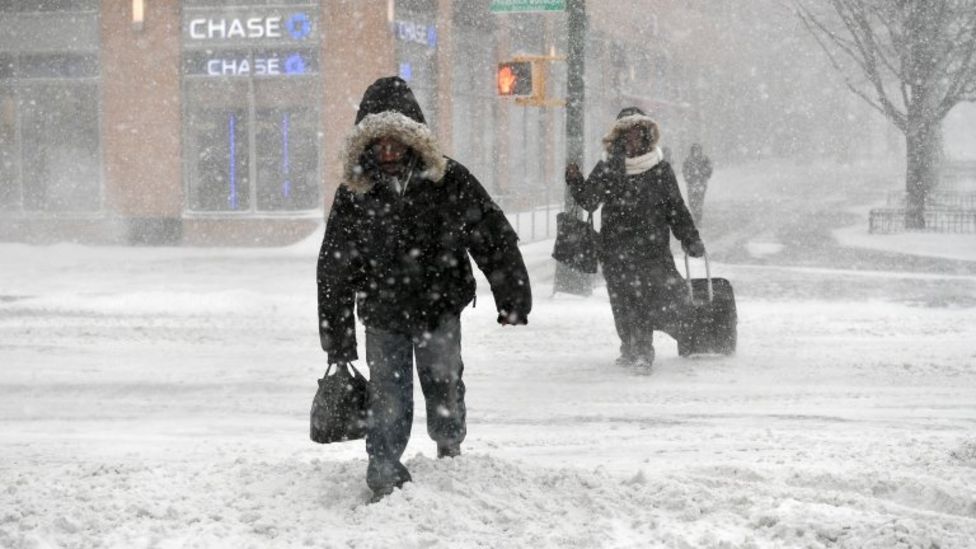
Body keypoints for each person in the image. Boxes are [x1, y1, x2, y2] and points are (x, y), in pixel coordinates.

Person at [317, 76, 532, 502]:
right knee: (388, 396)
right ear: (367, 145)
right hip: (383, 313)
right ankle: (383, 469)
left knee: (444, 381)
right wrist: (337, 341)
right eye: (380, 143)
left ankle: (449, 444)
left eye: (398, 142)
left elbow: (491, 235)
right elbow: (334, 270)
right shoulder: (355, 194)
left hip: (439, 308)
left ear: (415, 140)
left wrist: (512, 298)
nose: (390, 151)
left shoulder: (449, 179)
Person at [565, 107, 704, 369]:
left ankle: (643, 348)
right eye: (627, 133)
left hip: (652, 248)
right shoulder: (608, 167)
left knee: (649, 297)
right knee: (621, 300)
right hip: (616, 248)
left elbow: (675, 207)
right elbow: (590, 201)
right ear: (618, 136)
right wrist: (575, 182)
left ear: (645, 135)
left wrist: (690, 238)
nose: (632, 139)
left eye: (637, 132)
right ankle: (630, 345)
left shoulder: (660, 169)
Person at [681, 143, 713, 224]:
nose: (696, 151)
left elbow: (710, 169)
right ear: (692, 150)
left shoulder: (705, 159)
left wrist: (703, 174)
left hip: (701, 183)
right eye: (695, 149)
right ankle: (695, 215)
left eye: (698, 149)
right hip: (691, 184)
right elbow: (684, 170)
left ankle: (698, 218)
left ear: (700, 150)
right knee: (691, 202)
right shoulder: (688, 159)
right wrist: (688, 177)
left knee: (699, 201)